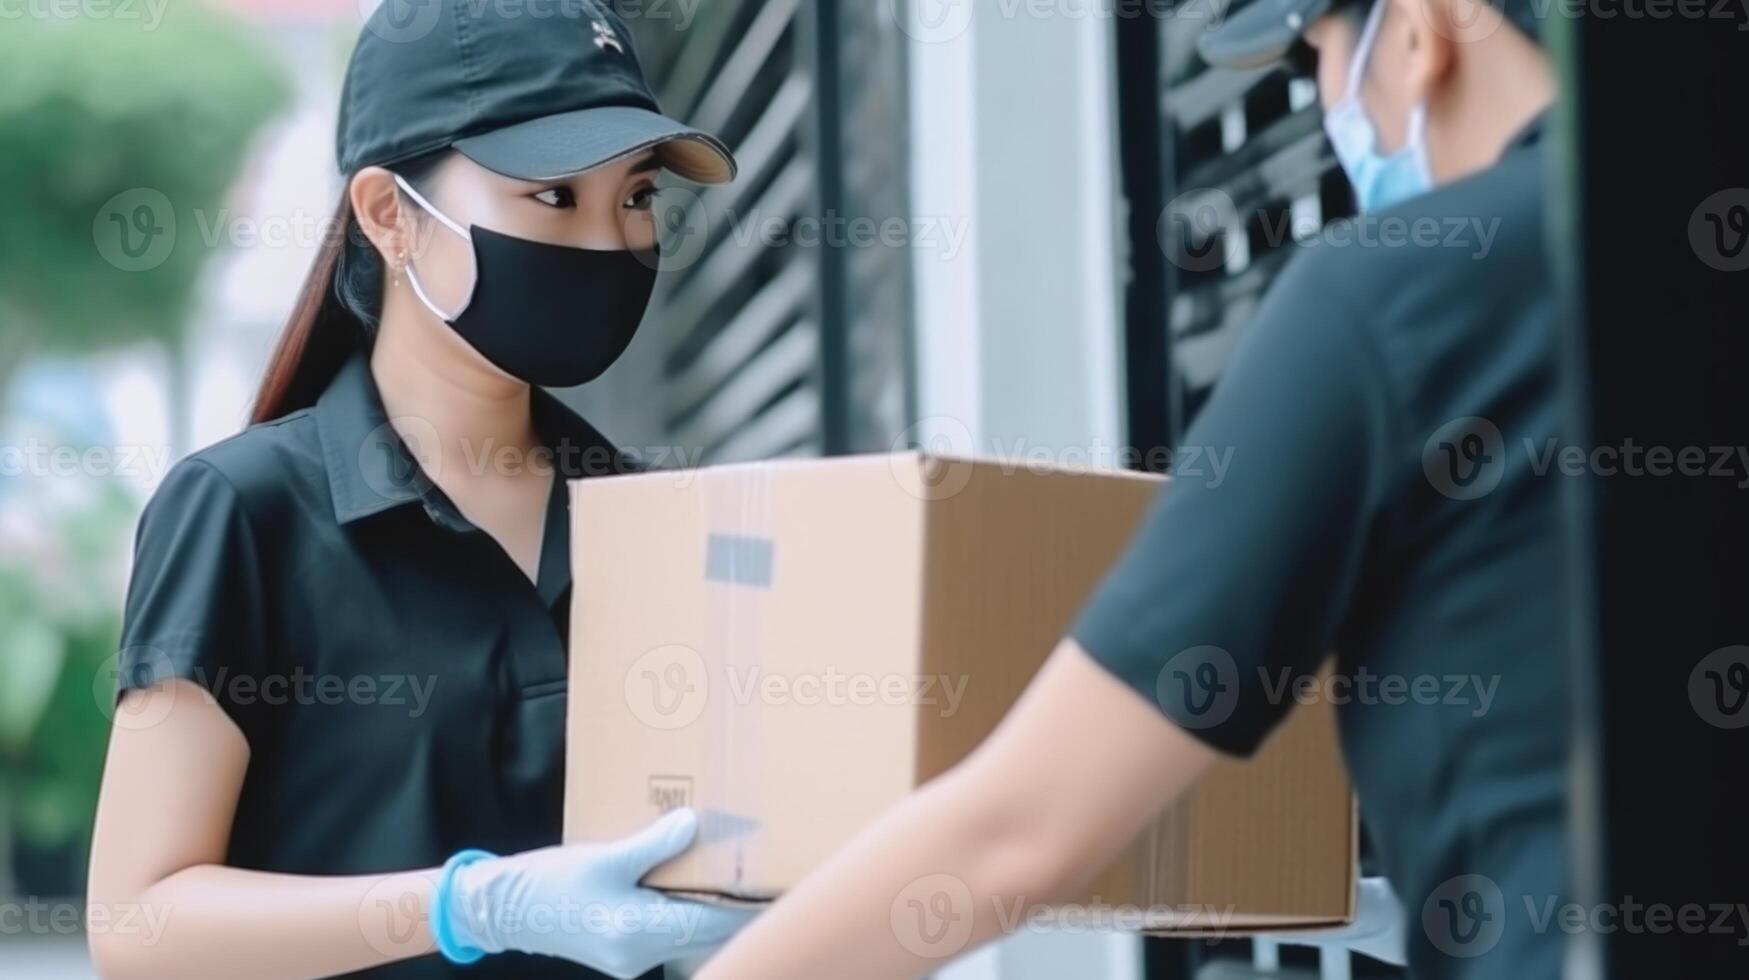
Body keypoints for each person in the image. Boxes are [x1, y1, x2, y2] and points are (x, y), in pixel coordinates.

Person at [697, 0, 1562, 976]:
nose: (1327, 108)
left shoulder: (1394, 299)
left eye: (1319, 58)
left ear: (1418, 30)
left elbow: (1015, 836)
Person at [85, 3, 752, 978]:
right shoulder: (244, 512)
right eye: (555, 197)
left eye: (637, 197)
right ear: (389, 213)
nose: (611, 242)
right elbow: (138, 926)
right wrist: (468, 903)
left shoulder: (653, 523)